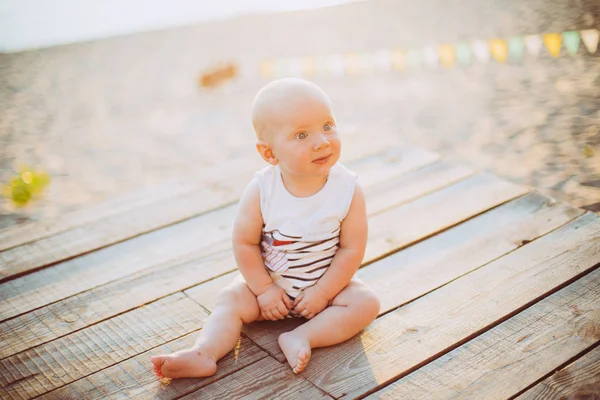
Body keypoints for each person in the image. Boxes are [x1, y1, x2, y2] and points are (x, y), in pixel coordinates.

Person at [151, 78, 380, 378]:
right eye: (301, 134)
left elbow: (352, 249)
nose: (322, 141)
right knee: (230, 300)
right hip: (268, 291)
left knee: (366, 304)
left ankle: (303, 336)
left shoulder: (348, 188)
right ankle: (203, 353)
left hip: (325, 290)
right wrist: (264, 290)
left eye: (327, 126)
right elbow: (244, 243)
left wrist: (324, 292)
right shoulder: (262, 189)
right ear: (269, 154)